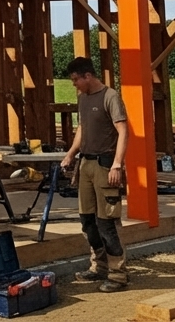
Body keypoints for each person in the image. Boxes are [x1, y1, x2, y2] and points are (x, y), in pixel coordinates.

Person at [60, 56, 131, 292]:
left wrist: (117, 165)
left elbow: (123, 132)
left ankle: (118, 274)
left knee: (106, 222)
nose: (74, 85)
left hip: (105, 165)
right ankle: (98, 267)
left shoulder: (110, 97)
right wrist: (71, 153)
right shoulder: (83, 99)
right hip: (86, 164)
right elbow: (82, 128)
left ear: (87, 76)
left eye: (75, 80)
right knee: (88, 221)